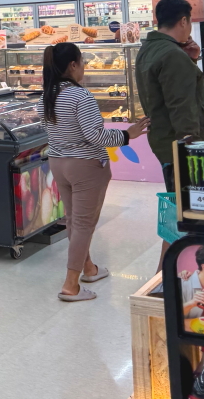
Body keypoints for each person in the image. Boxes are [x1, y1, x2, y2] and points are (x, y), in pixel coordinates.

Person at [38, 43, 148, 301]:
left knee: (74, 221)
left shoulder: (46, 95)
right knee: (84, 224)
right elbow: (95, 136)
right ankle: (71, 285)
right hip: (86, 165)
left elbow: (47, 129)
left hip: (58, 162)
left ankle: (89, 268)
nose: (84, 68)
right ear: (73, 65)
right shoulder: (81, 96)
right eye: (82, 63)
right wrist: (127, 135)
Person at [135, 0, 204, 189]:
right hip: (184, 148)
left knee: (177, 197)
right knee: (192, 200)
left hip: (163, 139)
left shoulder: (148, 49)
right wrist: (192, 148)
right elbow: (182, 106)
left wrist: (190, 60)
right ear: (183, 21)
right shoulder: (173, 55)